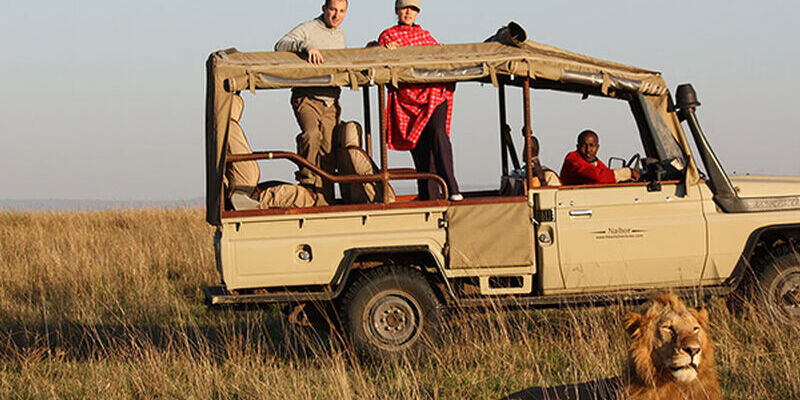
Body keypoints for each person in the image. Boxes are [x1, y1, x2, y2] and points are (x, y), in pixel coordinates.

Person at [374, 0, 462, 201]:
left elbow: (439, 54)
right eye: (405, 8)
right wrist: (385, 51)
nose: (408, 13)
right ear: (397, 11)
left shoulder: (425, 36)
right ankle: (429, 200)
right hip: (408, 101)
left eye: (413, 9)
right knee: (423, 154)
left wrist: (443, 51)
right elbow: (380, 59)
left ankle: (452, 186)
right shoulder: (388, 36)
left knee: (439, 134)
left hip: (433, 93)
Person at [274, 0, 348, 206]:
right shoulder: (308, 28)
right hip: (307, 96)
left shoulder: (340, 35)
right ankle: (306, 183)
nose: (336, 15)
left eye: (341, 11)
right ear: (324, 8)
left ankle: (324, 199)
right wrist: (307, 47)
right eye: (333, 10)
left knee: (328, 150)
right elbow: (280, 45)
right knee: (311, 135)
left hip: (331, 100)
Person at [560, 130, 641, 185]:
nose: (588, 150)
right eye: (584, 146)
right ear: (578, 147)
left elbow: (606, 176)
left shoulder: (596, 163)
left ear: (597, 147)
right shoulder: (573, 159)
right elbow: (598, 177)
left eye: (592, 146)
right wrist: (628, 173)